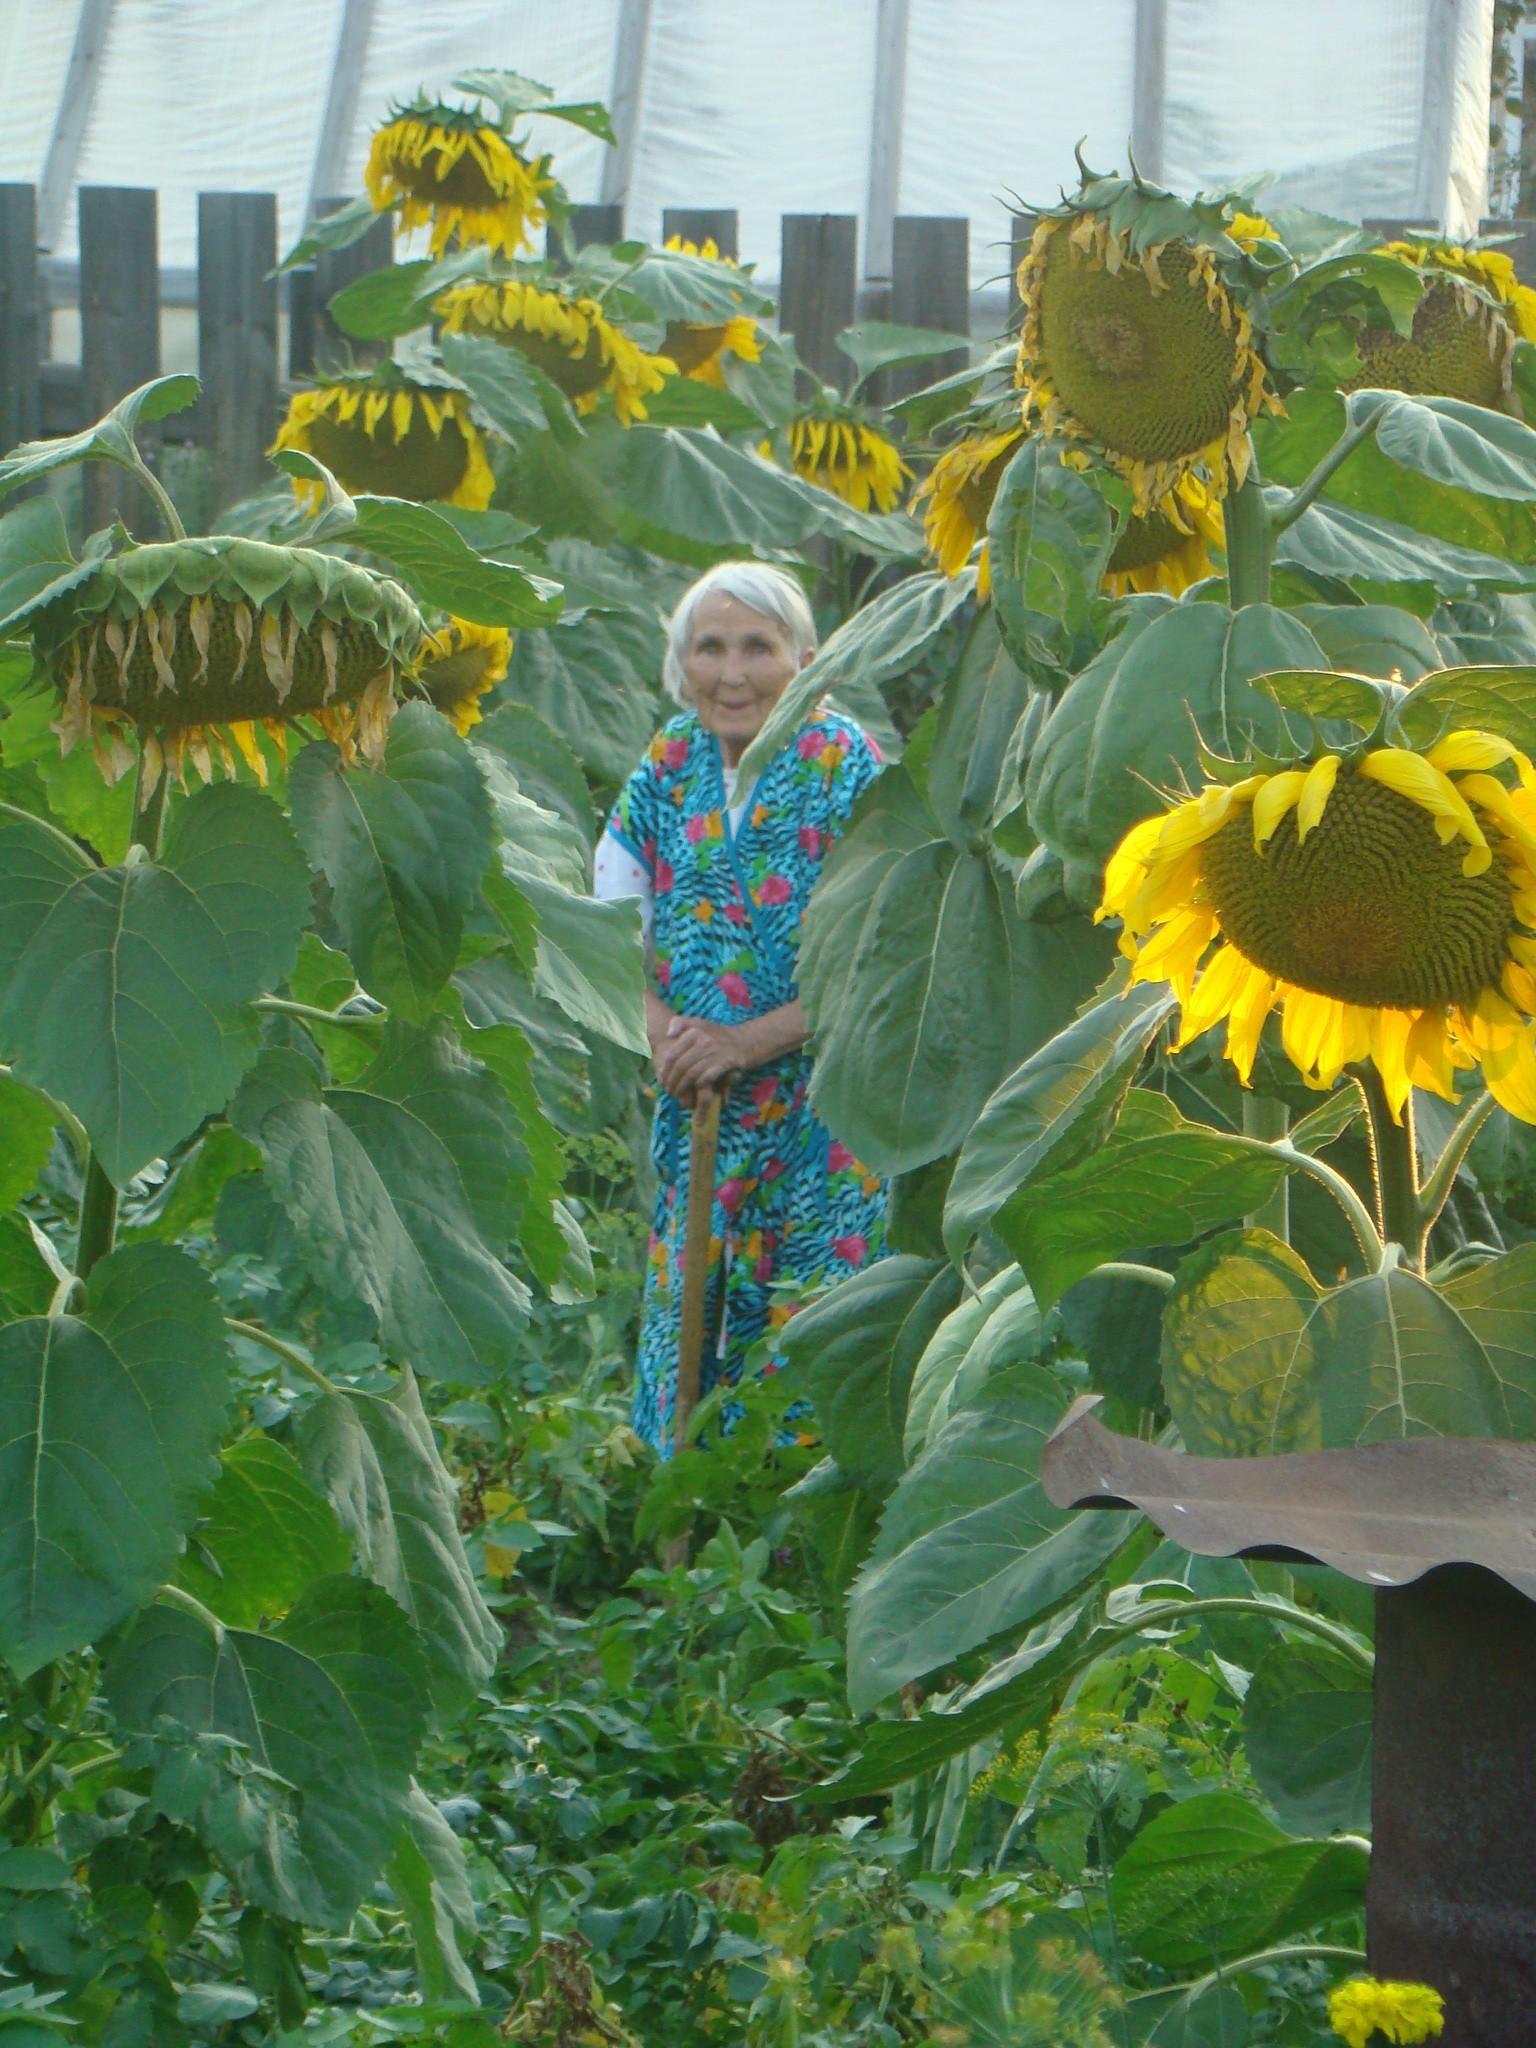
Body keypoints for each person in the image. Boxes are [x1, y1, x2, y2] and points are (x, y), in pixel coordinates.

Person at [595, 561, 888, 1457]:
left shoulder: (846, 764)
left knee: (812, 1326)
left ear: (806, 661)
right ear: (680, 663)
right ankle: (689, 1562)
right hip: (701, 1108)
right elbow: (604, 925)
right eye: (709, 647)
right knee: (693, 1314)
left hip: (822, 1114)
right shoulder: (668, 765)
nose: (732, 674)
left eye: (758, 648)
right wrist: (671, 1042)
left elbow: (886, 950)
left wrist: (744, 1041)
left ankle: (794, 1559)